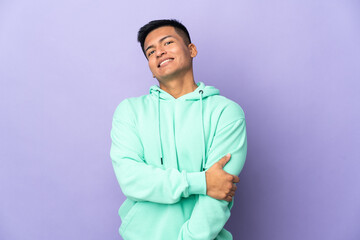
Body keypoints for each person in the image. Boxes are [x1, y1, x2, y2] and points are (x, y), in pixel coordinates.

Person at [110, 19, 247, 240]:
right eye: (150, 51)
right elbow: (131, 178)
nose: (159, 53)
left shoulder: (226, 112)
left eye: (167, 43)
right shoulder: (130, 111)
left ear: (191, 49)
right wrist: (201, 182)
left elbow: (219, 192)